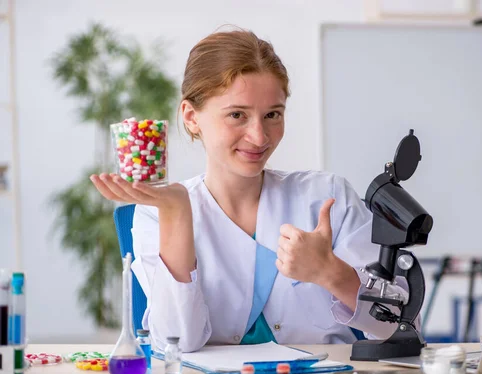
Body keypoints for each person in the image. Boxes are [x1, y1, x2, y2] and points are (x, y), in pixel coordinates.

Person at [90, 28, 412, 352]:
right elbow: (176, 344)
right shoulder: (157, 212)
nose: (259, 137)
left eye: (272, 114)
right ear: (191, 117)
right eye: (237, 115)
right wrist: (176, 215)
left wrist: (330, 272)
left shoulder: (326, 197)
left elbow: (394, 325)